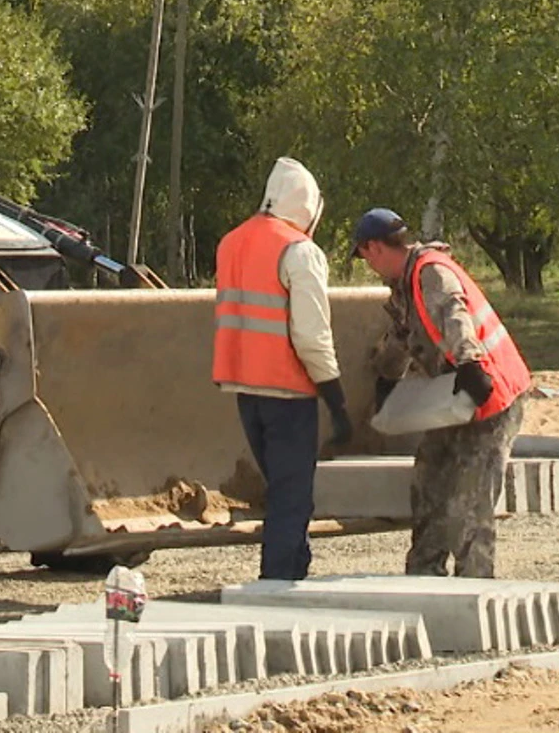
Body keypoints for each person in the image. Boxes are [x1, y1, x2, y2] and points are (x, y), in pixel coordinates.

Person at [355, 208, 532, 578]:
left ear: (374, 247)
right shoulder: (406, 285)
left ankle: (474, 586)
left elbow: (455, 315)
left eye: (365, 256)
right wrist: (386, 380)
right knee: (430, 480)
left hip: (491, 391)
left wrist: (469, 364)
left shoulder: (431, 271)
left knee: (472, 497)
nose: (368, 265)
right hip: (455, 397)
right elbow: (403, 337)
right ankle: (424, 573)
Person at [213, 158, 354, 581]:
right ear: (310, 208)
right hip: (288, 392)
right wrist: (337, 401)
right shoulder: (299, 251)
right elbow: (311, 335)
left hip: (244, 387)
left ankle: (293, 571)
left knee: (281, 491)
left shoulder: (231, 242)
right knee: (293, 497)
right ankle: (278, 583)